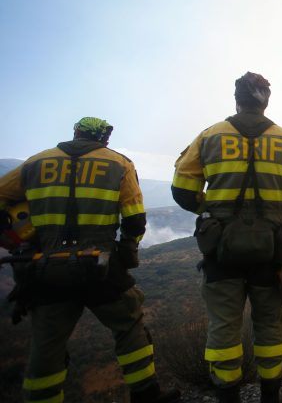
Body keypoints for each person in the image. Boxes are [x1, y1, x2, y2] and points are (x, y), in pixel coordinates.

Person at [0, 117, 180, 403]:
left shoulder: (35, 163)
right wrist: (127, 253)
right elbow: (134, 219)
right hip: (101, 266)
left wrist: (12, 237)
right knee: (129, 325)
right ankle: (147, 395)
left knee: (47, 347)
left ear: (76, 132)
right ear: (104, 139)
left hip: (45, 269)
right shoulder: (119, 164)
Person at [172, 72, 282, 403]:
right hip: (272, 253)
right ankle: (270, 396)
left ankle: (229, 397)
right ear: (266, 100)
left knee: (224, 328)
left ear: (236, 98)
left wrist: (212, 212)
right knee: (269, 325)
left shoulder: (210, 136)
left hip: (221, 253)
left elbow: (182, 191)